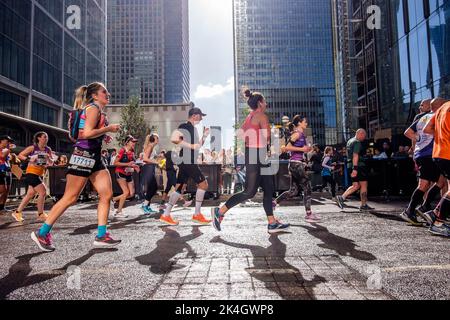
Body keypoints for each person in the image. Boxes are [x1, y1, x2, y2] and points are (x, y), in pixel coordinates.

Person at [31, 82, 121, 252]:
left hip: (94, 157)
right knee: (70, 198)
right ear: (94, 95)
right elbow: (86, 134)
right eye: (104, 92)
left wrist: (104, 135)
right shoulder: (93, 108)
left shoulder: (97, 110)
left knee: (106, 194)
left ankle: (102, 235)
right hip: (82, 156)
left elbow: (87, 132)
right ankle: (42, 233)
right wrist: (109, 128)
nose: (107, 94)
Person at [211, 88, 290, 233]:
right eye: (264, 101)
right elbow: (267, 137)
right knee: (249, 192)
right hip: (256, 155)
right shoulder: (261, 115)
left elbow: (240, 134)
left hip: (256, 154)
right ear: (260, 103)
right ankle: (220, 212)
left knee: (268, 188)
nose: (266, 104)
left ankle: (272, 222)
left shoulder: (249, 117)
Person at [161, 107, 211, 226]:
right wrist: (190, 146)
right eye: (200, 115)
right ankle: (197, 215)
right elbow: (174, 138)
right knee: (203, 184)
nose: (201, 118)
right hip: (188, 160)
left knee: (179, 189)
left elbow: (198, 146)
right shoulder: (185, 126)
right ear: (194, 115)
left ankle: (166, 215)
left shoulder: (193, 129)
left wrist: (204, 136)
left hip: (186, 161)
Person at [401, 99, 444, 225]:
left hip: (422, 153)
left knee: (440, 181)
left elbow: (407, 132)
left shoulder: (423, 117)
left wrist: (418, 139)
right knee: (424, 184)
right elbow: (428, 131)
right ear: (440, 106)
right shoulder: (436, 116)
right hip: (428, 154)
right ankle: (410, 211)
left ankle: (423, 207)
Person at [272, 115, 319, 221]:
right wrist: (303, 149)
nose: (306, 124)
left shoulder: (301, 134)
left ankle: (273, 203)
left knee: (293, 191)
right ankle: (309, 214)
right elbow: (286, 147)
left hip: (296, 164)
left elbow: (299, 149)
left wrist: (307, 149)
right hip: (296, 164)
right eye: (305, 122)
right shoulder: (297, 134)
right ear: (299, 123)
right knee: (307, 187)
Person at [423, 98, 450, 237]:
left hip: (439, 153)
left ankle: (435, 214)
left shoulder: (439, 111)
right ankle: (438, 223)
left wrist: (442, 137)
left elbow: (427, 129)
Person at [13, 132, 54, 222]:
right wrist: (30, 158)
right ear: (39, 138)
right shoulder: (33, 147)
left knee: (30, 194)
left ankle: (17, 212)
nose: (46, 139)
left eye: (47, 137)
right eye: (44, 137)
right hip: (31, 173)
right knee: (43, 192)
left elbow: (51, 163)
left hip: (40, 174)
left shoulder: (48, 149)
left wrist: (48, 158)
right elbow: (20, 155)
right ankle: (40, 214)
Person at [336, 129, 373, 211]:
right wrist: (355, 169)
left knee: (356, 185)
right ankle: (363, 205)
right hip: (358, 166)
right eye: (364, 135)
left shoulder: (349, 141)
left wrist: (353, 168)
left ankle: (341, 197)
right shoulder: (357, 142)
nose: (364, 137)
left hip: (350, 165)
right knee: (364, 184)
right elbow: (355, 155)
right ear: (360, 134)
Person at [112, 135, 140, 219]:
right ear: (127, 142)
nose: (134, 143)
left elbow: (132, 163)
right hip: (120, 173)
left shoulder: (132, 151)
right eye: (132, 142)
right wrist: (127, 164)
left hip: (128, 174)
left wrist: (135, 167)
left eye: (134, 142)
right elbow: (115, 163)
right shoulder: (122, 150)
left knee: (131, 193)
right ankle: (119, 211)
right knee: (126, 192)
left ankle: (114, 199)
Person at [140, 133, 161, 215]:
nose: (158, 140)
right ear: (154, 139)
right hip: (147, 168)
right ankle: (144, 206)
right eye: (157, 138)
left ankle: (147, 206)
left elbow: (148, 157)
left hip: (149, 168)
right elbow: (145, 159)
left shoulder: (151, 147)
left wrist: (158, 157)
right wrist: (156, 162)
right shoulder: (150, 146)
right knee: (154, 187)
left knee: (151, 188)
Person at [0, 135, 15, 214]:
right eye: (7, 141)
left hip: (7, 170)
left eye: (9, 141)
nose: (9, 142)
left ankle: (2, 207)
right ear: (1, 141)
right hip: (0, 170)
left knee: (7, 190)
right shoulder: (4, 149)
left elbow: (8, 160)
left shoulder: (7, 150)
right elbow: (2, 156)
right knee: (2, 190)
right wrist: (9, 149)